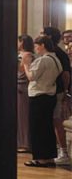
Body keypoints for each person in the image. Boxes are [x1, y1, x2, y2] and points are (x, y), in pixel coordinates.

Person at [23, 35, 63, 167]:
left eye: (36, 46)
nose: (35, 48)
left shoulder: (43, 60)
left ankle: (40, 158)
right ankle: (49, 157)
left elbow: (31, 76)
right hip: (49, 96)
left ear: (42, 45)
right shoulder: (55, 59)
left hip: (39, 96)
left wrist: (26, 65)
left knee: (37, 128)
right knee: (47, 128)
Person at [41, 27, 71, 165]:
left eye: (42, 33)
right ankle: (58, 149)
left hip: (57, 90)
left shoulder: (58, 53)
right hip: (52, 90)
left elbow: (65, 74)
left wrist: (64, 91)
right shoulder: (53, 52)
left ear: (49, 36)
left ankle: (63, 152)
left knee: (57, 120)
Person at [17, 35, 34, 153]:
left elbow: (22, 71)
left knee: (22, 116)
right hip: (20, 86)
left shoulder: (26, 55)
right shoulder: (22, 55)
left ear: (22, 42)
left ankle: (24, 143)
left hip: (22, 87)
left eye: (19, 41)